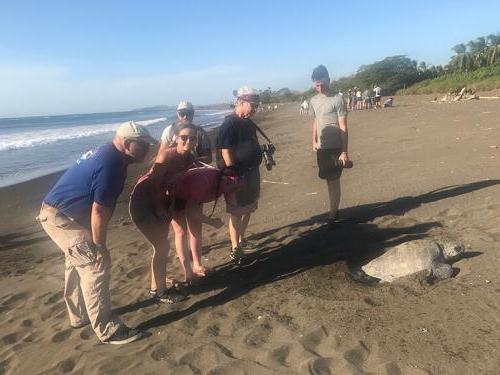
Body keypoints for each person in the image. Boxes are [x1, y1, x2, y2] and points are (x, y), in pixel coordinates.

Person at [38, 121, 156, 345]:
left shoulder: (108, 153)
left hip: (60, 213)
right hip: (61, 218)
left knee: (75, 262)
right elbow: (100, 209)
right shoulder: (111, 163)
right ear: (126, 143)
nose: (146, 149)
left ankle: (79, 316)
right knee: (95, 264)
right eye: (142, 145)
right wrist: (100, 247)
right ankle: (108, 329)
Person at [161, 101, 217, 281]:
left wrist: (191, 166)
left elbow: (208, 157)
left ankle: (197, 264)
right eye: (181, 113)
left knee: (195, 228)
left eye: (188, 113)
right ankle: (186, 269)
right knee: (180, 232)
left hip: (193, 187)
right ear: (177, 113)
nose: (185, 116)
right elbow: (160, 160)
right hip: (172, 194)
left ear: (193, 113)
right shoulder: (168, 132)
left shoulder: (199, 132)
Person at [216, 86, 263, 261]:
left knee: (249, 207)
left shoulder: (248, 122)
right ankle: (235, 248)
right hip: (236, 175)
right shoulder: (230, 123)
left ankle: (242, 239)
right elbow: (225, 151)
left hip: (251, 172)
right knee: (236, 211)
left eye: (257, 105)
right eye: (253, 105)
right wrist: (235, 175)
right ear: (241, 103)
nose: (255, 109)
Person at [309, 65, 350, 226]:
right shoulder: (313, 100)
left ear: (329, 80)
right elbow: (315, 121)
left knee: (334, 180)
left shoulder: (337, 99)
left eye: (322, 83)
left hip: (335, 147)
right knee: (327, 179)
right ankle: (334, 209)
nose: (320, 87)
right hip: (321, 146)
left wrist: (345, 152)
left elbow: (343, 126)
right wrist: (313, 140)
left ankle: (333, 213)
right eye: (316, 84)